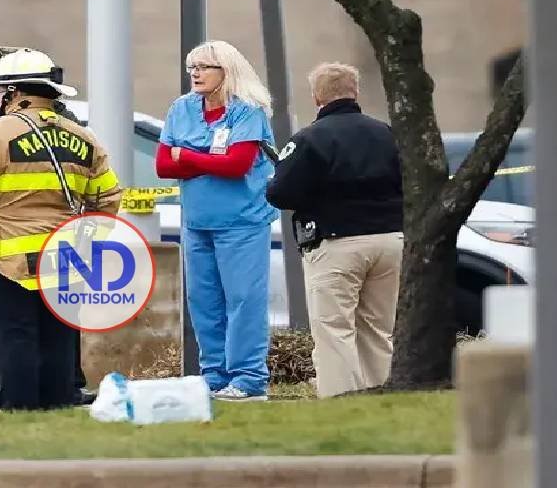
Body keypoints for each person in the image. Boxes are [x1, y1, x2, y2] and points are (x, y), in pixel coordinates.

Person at [0, 48, 122, 411]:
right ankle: (57, 406)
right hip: (67, 257)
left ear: (14, 92)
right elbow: (108, 200)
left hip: (7, 258)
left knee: (12, 335)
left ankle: (19, 409)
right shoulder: (84, 138)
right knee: (58, 336)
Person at [264, 62, 404, 399]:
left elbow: (280, 194)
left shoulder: (310, 139)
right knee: (378, 329)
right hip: (390, 240)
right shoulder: (387, 133)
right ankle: (384, 398)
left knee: (334, 329)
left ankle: (342, 400)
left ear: (316, 96)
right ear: (355, 91)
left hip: (337, 243)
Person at [155, 40, 279, 402]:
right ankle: (214, 376)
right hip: (197, 222)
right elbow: (163, 165)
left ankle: (249, 378)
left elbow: (236, 165)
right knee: (204, 301)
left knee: (242, 301)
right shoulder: (181, 108)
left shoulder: (248, 112)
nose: (195, 73)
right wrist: (205, 157)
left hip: (241, 223)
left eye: (204, 67)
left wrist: (187, 156)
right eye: (192, 66)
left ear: (227, 71)